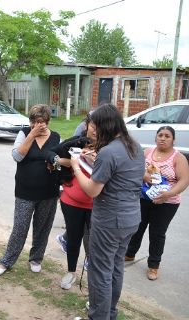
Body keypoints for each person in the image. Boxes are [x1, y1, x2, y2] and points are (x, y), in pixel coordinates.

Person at [70, 104, 145, 320]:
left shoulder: (109, 151)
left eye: (93, 126)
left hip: (110, 220)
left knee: (100, 270)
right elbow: (121, 174)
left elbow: (93, 190)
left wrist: (76, 165)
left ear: (105, 125)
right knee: (115, 267)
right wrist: (97, 162)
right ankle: (109, 313)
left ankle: (98, 316)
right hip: (131, 217)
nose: (90, 130)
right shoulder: (134, 146)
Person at [0, 104, 60, 276]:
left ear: (48, 121)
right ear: (30, 121)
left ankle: (36, 258)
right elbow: (17, 156)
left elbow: (59, 159)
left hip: (49, 192)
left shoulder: (55, 136)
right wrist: (31, 135)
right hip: (25, 191)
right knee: (20, 228)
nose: (39, 125)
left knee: (42, 228)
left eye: (43, 122)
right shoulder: (23, 133)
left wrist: (55, 163)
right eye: (36, 122)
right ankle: (7, 260)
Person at [125, 126, 189, 281]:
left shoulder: (178, 158)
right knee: (137, 227)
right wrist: (144, 175)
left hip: (167, 202)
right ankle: (129, 253)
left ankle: (153, 265)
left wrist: (169, 194)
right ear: (155, 138)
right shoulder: (147, 152)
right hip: (143, 198)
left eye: (167, 136)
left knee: (157, 233)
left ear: (173, 140)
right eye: (160, 135)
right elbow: (136, 168)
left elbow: (185, 180)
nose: (163, 138)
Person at [48, 113, 97, 290]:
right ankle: (71, 272)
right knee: (73, 237)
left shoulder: (109, 148)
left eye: (101, 126)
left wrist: (95, 160)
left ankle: (94, 277)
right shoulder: (75, 142)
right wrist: (62, 161)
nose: (96, 130)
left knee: (93, 242)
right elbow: (51, 153)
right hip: (71, 201)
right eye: (93, 126)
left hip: (97, 205)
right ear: (87, 125)